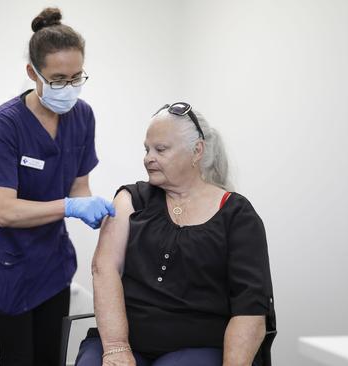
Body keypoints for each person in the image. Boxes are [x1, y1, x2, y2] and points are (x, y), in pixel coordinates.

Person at [76, 102, 276, 366]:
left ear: (197, 151)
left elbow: (249, 309)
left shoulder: (237, 216)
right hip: (124, 340)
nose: (148, 158)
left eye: (161, 149)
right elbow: (104, 268)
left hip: (199, 345)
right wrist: (115, 348)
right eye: (146, 149)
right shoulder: (131, 199)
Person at [0, 7, 115, 366]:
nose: (68, 88)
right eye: (57, 79)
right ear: (32, 73)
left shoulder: (83, 117)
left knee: (51, 357)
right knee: (19, 359)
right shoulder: (4, 126)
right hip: (8, 266)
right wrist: (69, 206)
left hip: (52, 265)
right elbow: (4, 212)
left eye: (76, 77)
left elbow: (79, 183)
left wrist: (92, 209)